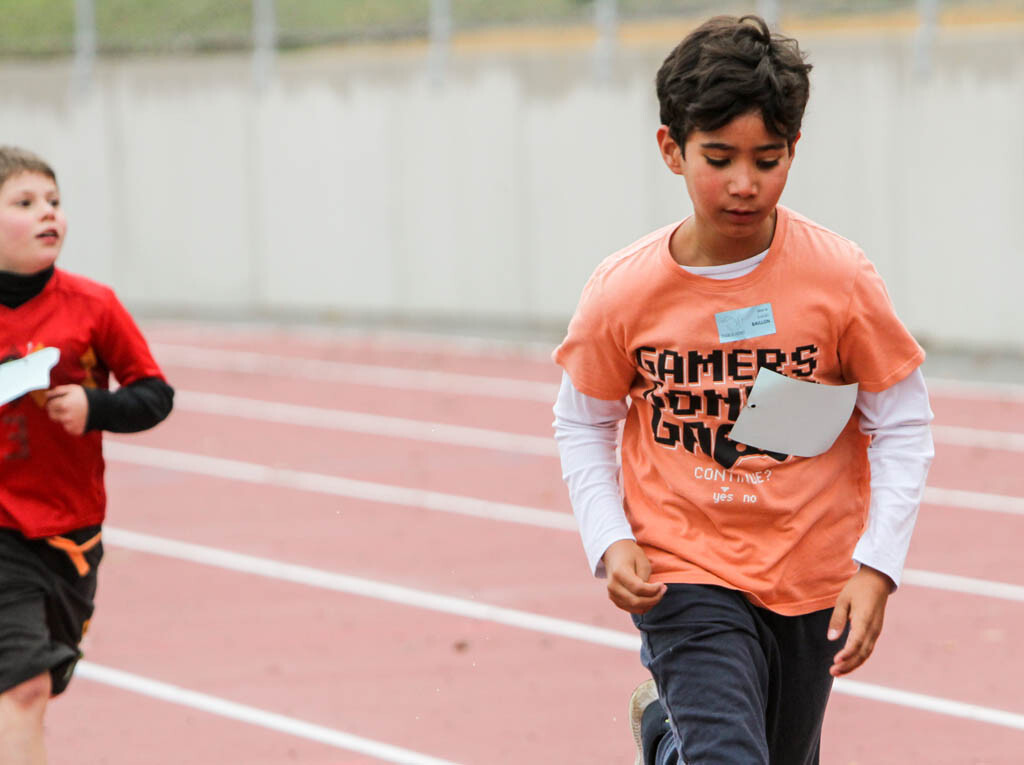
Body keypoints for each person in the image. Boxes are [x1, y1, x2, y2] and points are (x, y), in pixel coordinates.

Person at [552, 16, 934, 765]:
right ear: (672, 149)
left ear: (794, 150)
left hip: (809, 569)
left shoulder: (839, 279)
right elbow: (583, 421)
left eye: (768, 159)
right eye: (719, 158)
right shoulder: (622, 291)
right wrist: (610, 537)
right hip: (683, 570)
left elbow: (902, 421)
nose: (744, 184)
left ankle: (664, 738)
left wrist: (878, 566)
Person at [0, 146, 174, 763]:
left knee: (41, 682)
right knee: (23, 686)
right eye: (25, 203)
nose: (48, 213)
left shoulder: (93, 305)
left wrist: (93, 407)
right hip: (2, 530)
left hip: (70, 532)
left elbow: (155, 396)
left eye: (54, 201)